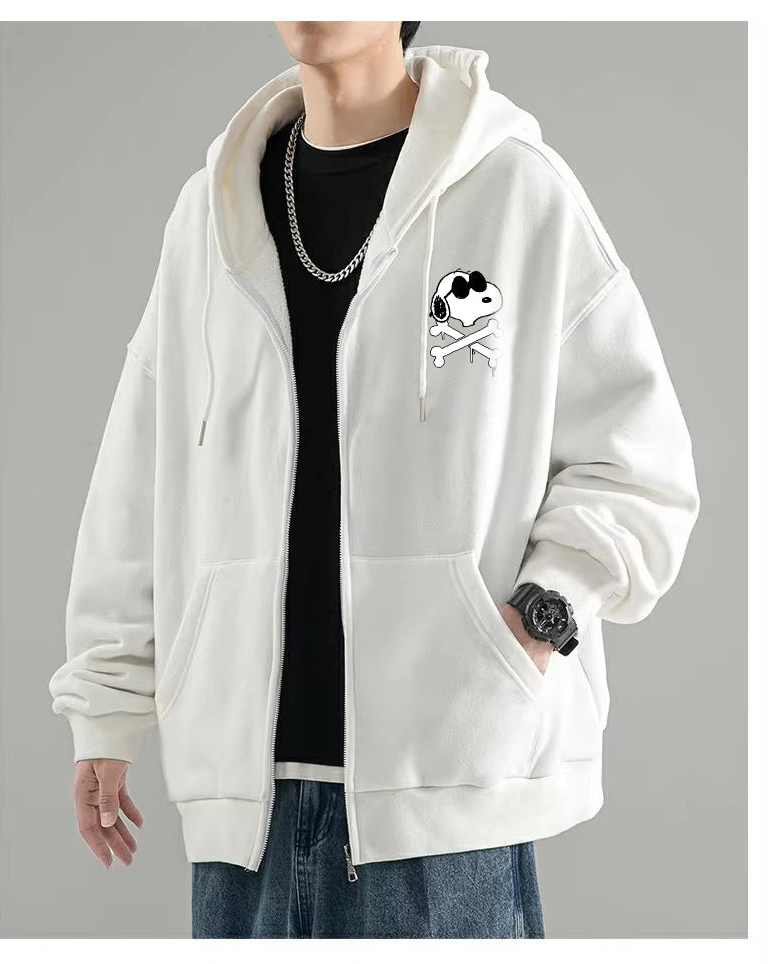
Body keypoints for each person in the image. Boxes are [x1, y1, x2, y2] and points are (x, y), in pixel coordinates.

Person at [49, 21, 700, 939]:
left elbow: (639, 464)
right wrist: (106, 708)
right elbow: (137, 471)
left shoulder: (516, 191)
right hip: (247, 817)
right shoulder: (209, 215)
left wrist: (537, 620)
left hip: (446, 814)